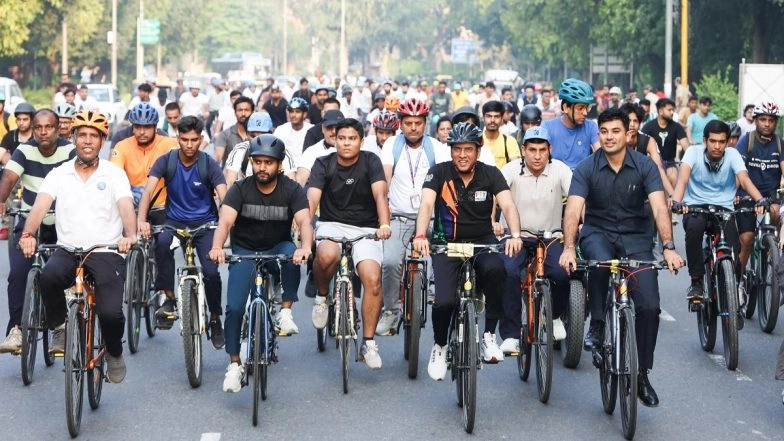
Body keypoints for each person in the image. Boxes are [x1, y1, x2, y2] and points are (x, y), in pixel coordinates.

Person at [559, 108, 685, 408]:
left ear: (628, 133)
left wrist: (668, 246)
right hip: (598, 233)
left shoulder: (644, 166)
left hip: (636, 239)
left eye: (615, 131)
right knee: (600, 262)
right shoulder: (587, 168)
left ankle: (641, 374)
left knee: (650, 306)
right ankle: (599, 323)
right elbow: (574, 210)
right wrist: (567, 247)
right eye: (603, 132)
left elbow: (658, 208)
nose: (609, 137)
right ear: (598, 134)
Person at [18, 110, 136, 383]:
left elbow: (126, 208)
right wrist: (28, 233)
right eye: (81, 135)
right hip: (68, 248)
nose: (87, 141)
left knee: (110, 313)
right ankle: (60, 326)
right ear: (72, 138)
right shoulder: (59, 174)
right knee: (48, 278)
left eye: (93, 136)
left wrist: (129, 235)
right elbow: (40, 206)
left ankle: (114, 353)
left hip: (105, 250)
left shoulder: (114, 174)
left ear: (102, 141)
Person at [413, 122, 523, 379]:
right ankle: (440, 346)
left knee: (497, 270)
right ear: (451, 150)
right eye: (457, 149)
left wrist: (515, 235)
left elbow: (507, 205)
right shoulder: (438, 172)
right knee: (445, 301)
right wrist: (421, 235)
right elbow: (427, 204)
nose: (462, 154)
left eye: (468, 149)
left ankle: (488, 335)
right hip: (447, 243)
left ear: (478, 150)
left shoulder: (490, 173)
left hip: (482, 241)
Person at [208, 135, 314, 393]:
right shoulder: (241, 188)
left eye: (268, 162)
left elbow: (304, 222)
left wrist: (306, 247)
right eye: (257, 162)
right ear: (251, 163)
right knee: (233, 308)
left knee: (292, 255)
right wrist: (216, 246)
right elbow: (225, 222)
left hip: (277, 247)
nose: (262, 167)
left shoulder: (291, 189)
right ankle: (234, 364)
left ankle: (285, 312)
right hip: (245, 251)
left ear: (278, 165)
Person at [136, 116, 228, 348]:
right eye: (184, 139)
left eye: (194, 140)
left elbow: (225, 198)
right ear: (177, 138)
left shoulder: (209, 164)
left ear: (202, 140)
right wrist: (141, 220)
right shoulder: (166, 161)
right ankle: (168, 297)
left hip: (205, 225)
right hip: (174, 222)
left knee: (211, 271)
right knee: (162, 243)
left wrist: (227, 229)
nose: (189, 144)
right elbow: (148, 192)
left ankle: (216, 318)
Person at [308, 118, 391, 369]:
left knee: (372, 279)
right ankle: (322, 298)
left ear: (361, 141)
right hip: (331, 225)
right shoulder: (323, 163)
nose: (346, 143)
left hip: (366, 228)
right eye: (341, 138)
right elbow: (312, 197)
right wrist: (306, 227)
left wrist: (384, 224)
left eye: (352, 138)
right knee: (325, 256)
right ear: (334, 140)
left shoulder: (371, 161)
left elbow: (380, 194)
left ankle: (368, 343)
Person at [0, 109, 75, 354]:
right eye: (38, 127)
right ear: (33, 129)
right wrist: (1, 201)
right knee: (18, 273)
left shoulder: (69, 152)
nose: (43, 132)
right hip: (31, 220)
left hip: (63, 221)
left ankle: (60, 326)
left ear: (57, 129)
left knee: (62, 275)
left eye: (49, 127)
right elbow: (9, 178)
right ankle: (17, 330)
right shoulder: (24, 151)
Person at [670, 120, 766, 304]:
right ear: (705, 141)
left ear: (728, 142)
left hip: (724, 209)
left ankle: (732, 288)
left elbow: (744, 180)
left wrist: (759, 199)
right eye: (713, 141)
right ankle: (696, 281)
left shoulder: (733, 154)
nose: (717, 146)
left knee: (733, 247)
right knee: (694, 229)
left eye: (722, 141)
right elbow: (682, 180)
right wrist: (677, 202)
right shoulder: (693, 152)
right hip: (695, 206)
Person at [375, 99, 449, 336]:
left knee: (448, 255)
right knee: (390, 262)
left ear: (426, 123)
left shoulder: (438, 148)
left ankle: (442, 293)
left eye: (418, 123)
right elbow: (384, 181)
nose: (413, 128)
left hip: (432, 218)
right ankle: (391, 310)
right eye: (408, 123)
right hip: (400, 218)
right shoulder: (391, 146)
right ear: (401, 124)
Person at [497, 126, 571, 354]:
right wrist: (494, 221)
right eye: (532, 150)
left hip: (550, 236)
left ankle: (556, 316)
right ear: (523, 150)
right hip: (516, 237)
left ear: (550, 150)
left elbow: (577, 200)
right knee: (507, 272)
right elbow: (494, 196)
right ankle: (510, 335)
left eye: (542, 150)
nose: (537, 156)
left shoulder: (561, 169)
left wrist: (582, 222)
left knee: (561, 273)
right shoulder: (510, 170)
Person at [734, 101, 783, 283]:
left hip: (771, 194)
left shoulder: (779, 144)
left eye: (771, 120)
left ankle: (771, 247)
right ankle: (738, 281)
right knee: (746, 239)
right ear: (755, 120)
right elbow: (739, 172)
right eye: (763, 119)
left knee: (777, 212)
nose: (767, 123)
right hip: (747, 194)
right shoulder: (746, 141)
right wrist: (735, 193)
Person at [111, 103, 178, 210]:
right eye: (137, 127)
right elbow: (114, 175)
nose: (142, 132)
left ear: (156, 127)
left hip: (162, 208)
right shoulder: (121, 146)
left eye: (147, 127)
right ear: (132, 128)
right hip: (131, 207)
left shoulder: (169, 144)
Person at [641, 98, 689, 207]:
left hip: (670, 163)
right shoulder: (649, 127)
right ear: (660, 111)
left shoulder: (676, 127)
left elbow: (685, 145)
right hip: (652, 164)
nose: (672, 112)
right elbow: (641, 145)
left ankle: (673, 207)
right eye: (669, 110)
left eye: (673, 110)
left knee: (674, 177)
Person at [542, 79, 600, 169]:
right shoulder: (547, 127)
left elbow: (600, 152)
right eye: (580, 108)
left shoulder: (591, 126)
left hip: (582, 179)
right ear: (566, 107)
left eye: (587, 108)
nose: (585, 112)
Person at [224, 112, 294, 184]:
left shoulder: (281, 151)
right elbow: (230, 181)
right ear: (247, 134)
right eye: (253, 136)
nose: (258, 141)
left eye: (262, 136)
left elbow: (292, 184)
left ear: (272, 134)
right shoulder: (240, 150)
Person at [296, 109, 344, 186]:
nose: (334, 131)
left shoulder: (354, 149)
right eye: (329, 127)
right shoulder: (312, 151)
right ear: (322, 129)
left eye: (338, 127)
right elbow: (300, 182)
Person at [213, 96, 254, 166]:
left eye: (247, 110)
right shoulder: (225, 134)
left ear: (252, 112)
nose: (243, 114)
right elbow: (218, 157)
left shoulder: (258, 135)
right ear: (235, 113)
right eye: (240, 110)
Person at [482, 100, 521, 169]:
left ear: (502, 118)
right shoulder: (476, 141)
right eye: (489, 116)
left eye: (496, 116)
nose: (492, 120)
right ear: (483, 118)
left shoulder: (509, 141)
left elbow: (516, 168)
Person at [273, 97, 313, 162]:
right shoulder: (280, 130)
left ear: (304, 114)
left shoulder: (312, 130)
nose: (293, 115)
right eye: (291, 112)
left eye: (297, 112)